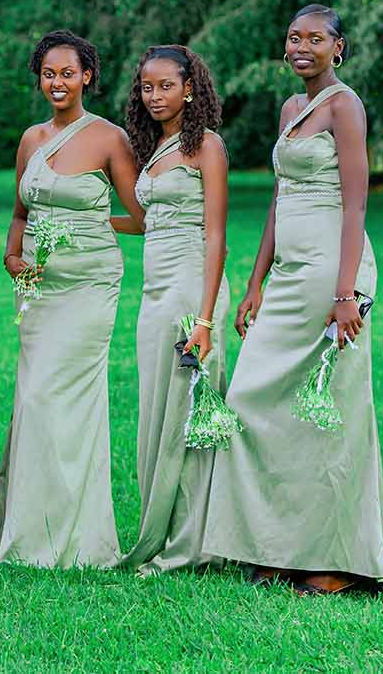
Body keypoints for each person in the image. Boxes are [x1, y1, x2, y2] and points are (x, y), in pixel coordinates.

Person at [204, 5, 383, 594]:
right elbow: (279, 200)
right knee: (252, 398)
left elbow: (356, 204)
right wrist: (255, 282)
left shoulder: (345, 105)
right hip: (288, 275)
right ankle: (276, 547)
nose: (301, 47)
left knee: (326, 410)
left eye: (315, 38)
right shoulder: (290, 109)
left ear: (339, 48)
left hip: (333, 274)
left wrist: (346, 292)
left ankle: (334, 562)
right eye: (293, 37)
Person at [0, 29, 144, 568]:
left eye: (68, 73)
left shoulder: (109, 139)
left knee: (61, 398)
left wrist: (90, 225)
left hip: (89, 284)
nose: (57, 82)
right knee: (33, 398)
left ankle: (76, 538)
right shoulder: (31, 139)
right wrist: (12, 256)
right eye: (48, 74)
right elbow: (20, 212)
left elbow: (142, 215)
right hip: (38, 287)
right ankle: (29, 530)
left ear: (87, 77)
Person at [112, 45, 230, 574]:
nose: (155, 96)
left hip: (191, 289)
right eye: (147, 87)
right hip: (154, 291)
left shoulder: (207, 146)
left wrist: (204, 320)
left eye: (166, 86)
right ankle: (160, 527)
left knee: (188, 411)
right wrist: (90, 222)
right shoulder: (155, 147)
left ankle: (192, 544)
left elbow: (215, 236)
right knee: (158, 409)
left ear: (190, 88)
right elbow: (144, 222)